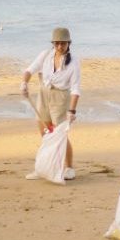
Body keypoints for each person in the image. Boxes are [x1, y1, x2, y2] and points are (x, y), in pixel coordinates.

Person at [21, 27, 82, 180]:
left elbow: (75, 89)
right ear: (53, 44)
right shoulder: (45, 55)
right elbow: (29, 70)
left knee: (60, 134)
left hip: (61, 98)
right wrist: (24, 83)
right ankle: (45, 167)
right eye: (57, 44)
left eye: (63, 43)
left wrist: (72, 111)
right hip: (44, 94)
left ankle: (69, 168)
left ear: (69, 43)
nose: (60, 47)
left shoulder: (73, 63)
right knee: (45, 133)